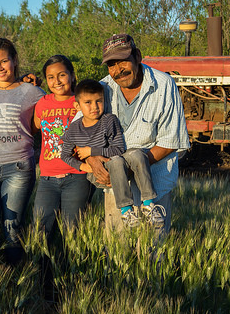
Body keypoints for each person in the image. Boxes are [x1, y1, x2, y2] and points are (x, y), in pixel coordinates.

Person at [85, 34, 190, 234]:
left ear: (138, 56)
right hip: (115, 189)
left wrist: (127, 169)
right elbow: (78, 128)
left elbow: (170, 141)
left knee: (153, 251)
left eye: (123, 61)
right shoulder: (102, 88)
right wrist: (92, 160)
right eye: (111, 65)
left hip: (155, 183)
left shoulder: (164, 84)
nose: (118, 70)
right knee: (119, 251)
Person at [0, 38, 45, 265]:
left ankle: (13, 277)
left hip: (18, 167)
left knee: (12, 228)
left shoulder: (32, 91)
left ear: (14, 60)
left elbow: (40, 121)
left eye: (4, 61)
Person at [60, 79, 166, 228]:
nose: (95, 107)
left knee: (137, 154)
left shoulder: (109, 120)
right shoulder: (73, 129)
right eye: (88, 102)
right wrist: (84, 167)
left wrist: (92, 151)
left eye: (99, 101)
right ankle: (126, 210)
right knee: (116, 161)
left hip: (116, 157)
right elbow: (64, 154)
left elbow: (118, 149)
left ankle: (148, 204)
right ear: (77, 106)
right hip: (98, 172)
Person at [32, 55, 93, 239]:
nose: (56, 81)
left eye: (62, 75)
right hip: (47, 179)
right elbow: (35, 129)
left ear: (72, 76)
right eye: (51, 77)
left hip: (77, 177)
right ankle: (42, 268)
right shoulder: (42, 103)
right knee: (40, 229)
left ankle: (69, 267)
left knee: (71, 232)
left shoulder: (82, 102)